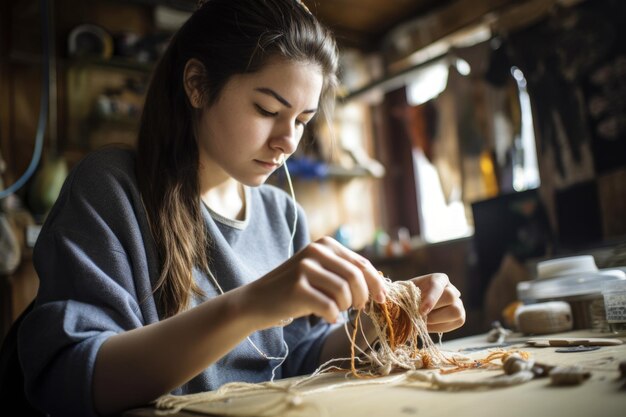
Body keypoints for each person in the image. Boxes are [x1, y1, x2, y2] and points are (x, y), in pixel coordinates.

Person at [17, 0, 466, 416]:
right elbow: (70, 379)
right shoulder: (112, 187)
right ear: (197, 85)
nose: (288, 141)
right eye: (267, 108)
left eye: (302, 121)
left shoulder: (281, 216)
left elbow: (299, 359)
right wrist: (253, 303)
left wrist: (389, 321)